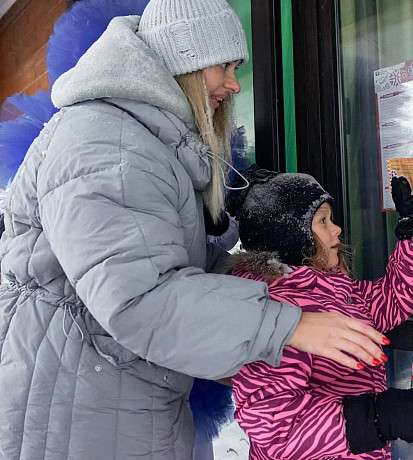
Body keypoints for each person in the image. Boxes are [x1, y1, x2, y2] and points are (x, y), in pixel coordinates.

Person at [0, 1, 386, 458]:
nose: (234, 84)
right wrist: (287, 323)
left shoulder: (137, 139)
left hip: (106, 395)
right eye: (223, 65)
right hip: (75, 411)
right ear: (183, 58)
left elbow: (152, 262)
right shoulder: (108, 142)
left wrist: (265, 277)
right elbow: (139, 298)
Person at [224, 168, 413, 459]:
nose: (337, 228)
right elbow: (275, 430)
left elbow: (393, 299)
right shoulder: (276, 313)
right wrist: (376, 418)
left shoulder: (334, 293)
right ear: (289, 236)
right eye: (323, 221)